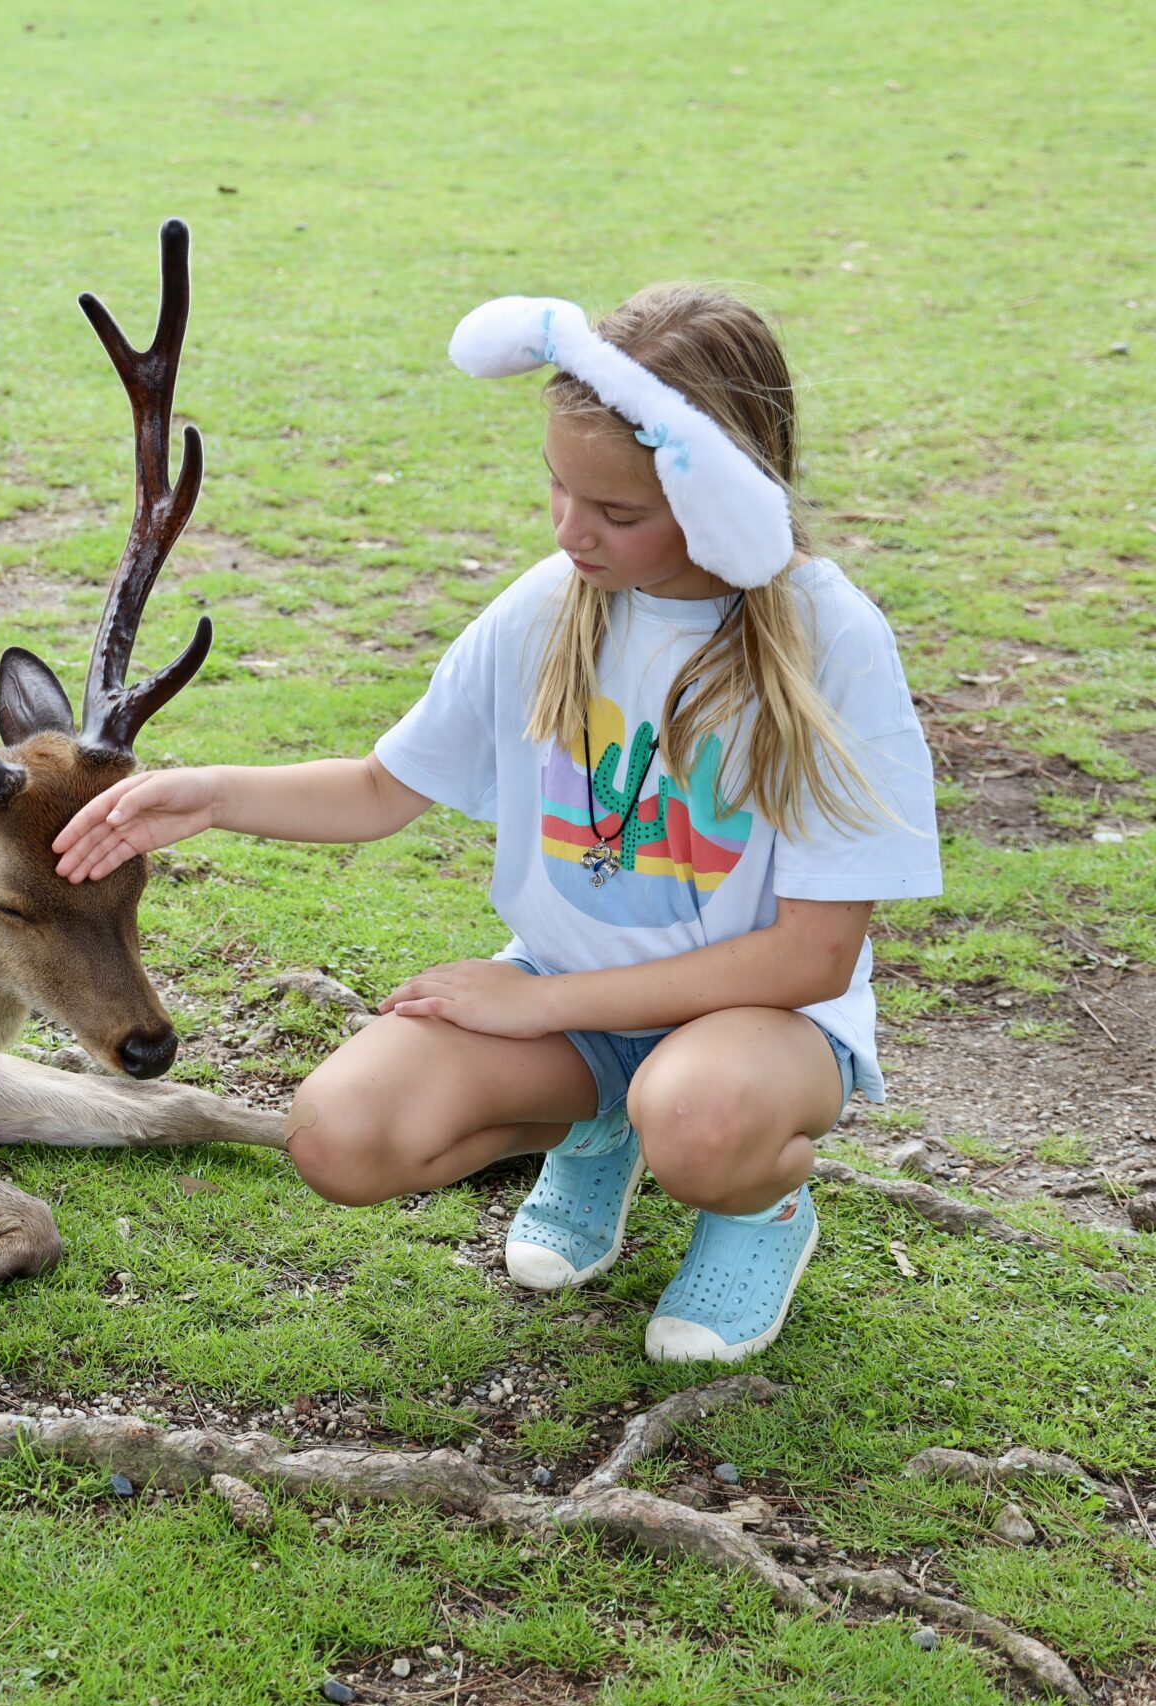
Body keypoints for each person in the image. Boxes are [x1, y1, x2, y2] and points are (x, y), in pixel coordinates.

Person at [54, 287, 940, 1363]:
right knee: (339, 1137)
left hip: (760, 1026)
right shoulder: (551, 601)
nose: (572, 532)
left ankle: (757, 1209)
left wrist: (539, 1003)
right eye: (558, 489)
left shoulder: (825, 639)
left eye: (616, 515)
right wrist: (210, 795)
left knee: (699, 1120)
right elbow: (385, 789)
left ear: (724, 497)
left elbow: (810, 954)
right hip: (567, 1004)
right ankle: (595, 1126)